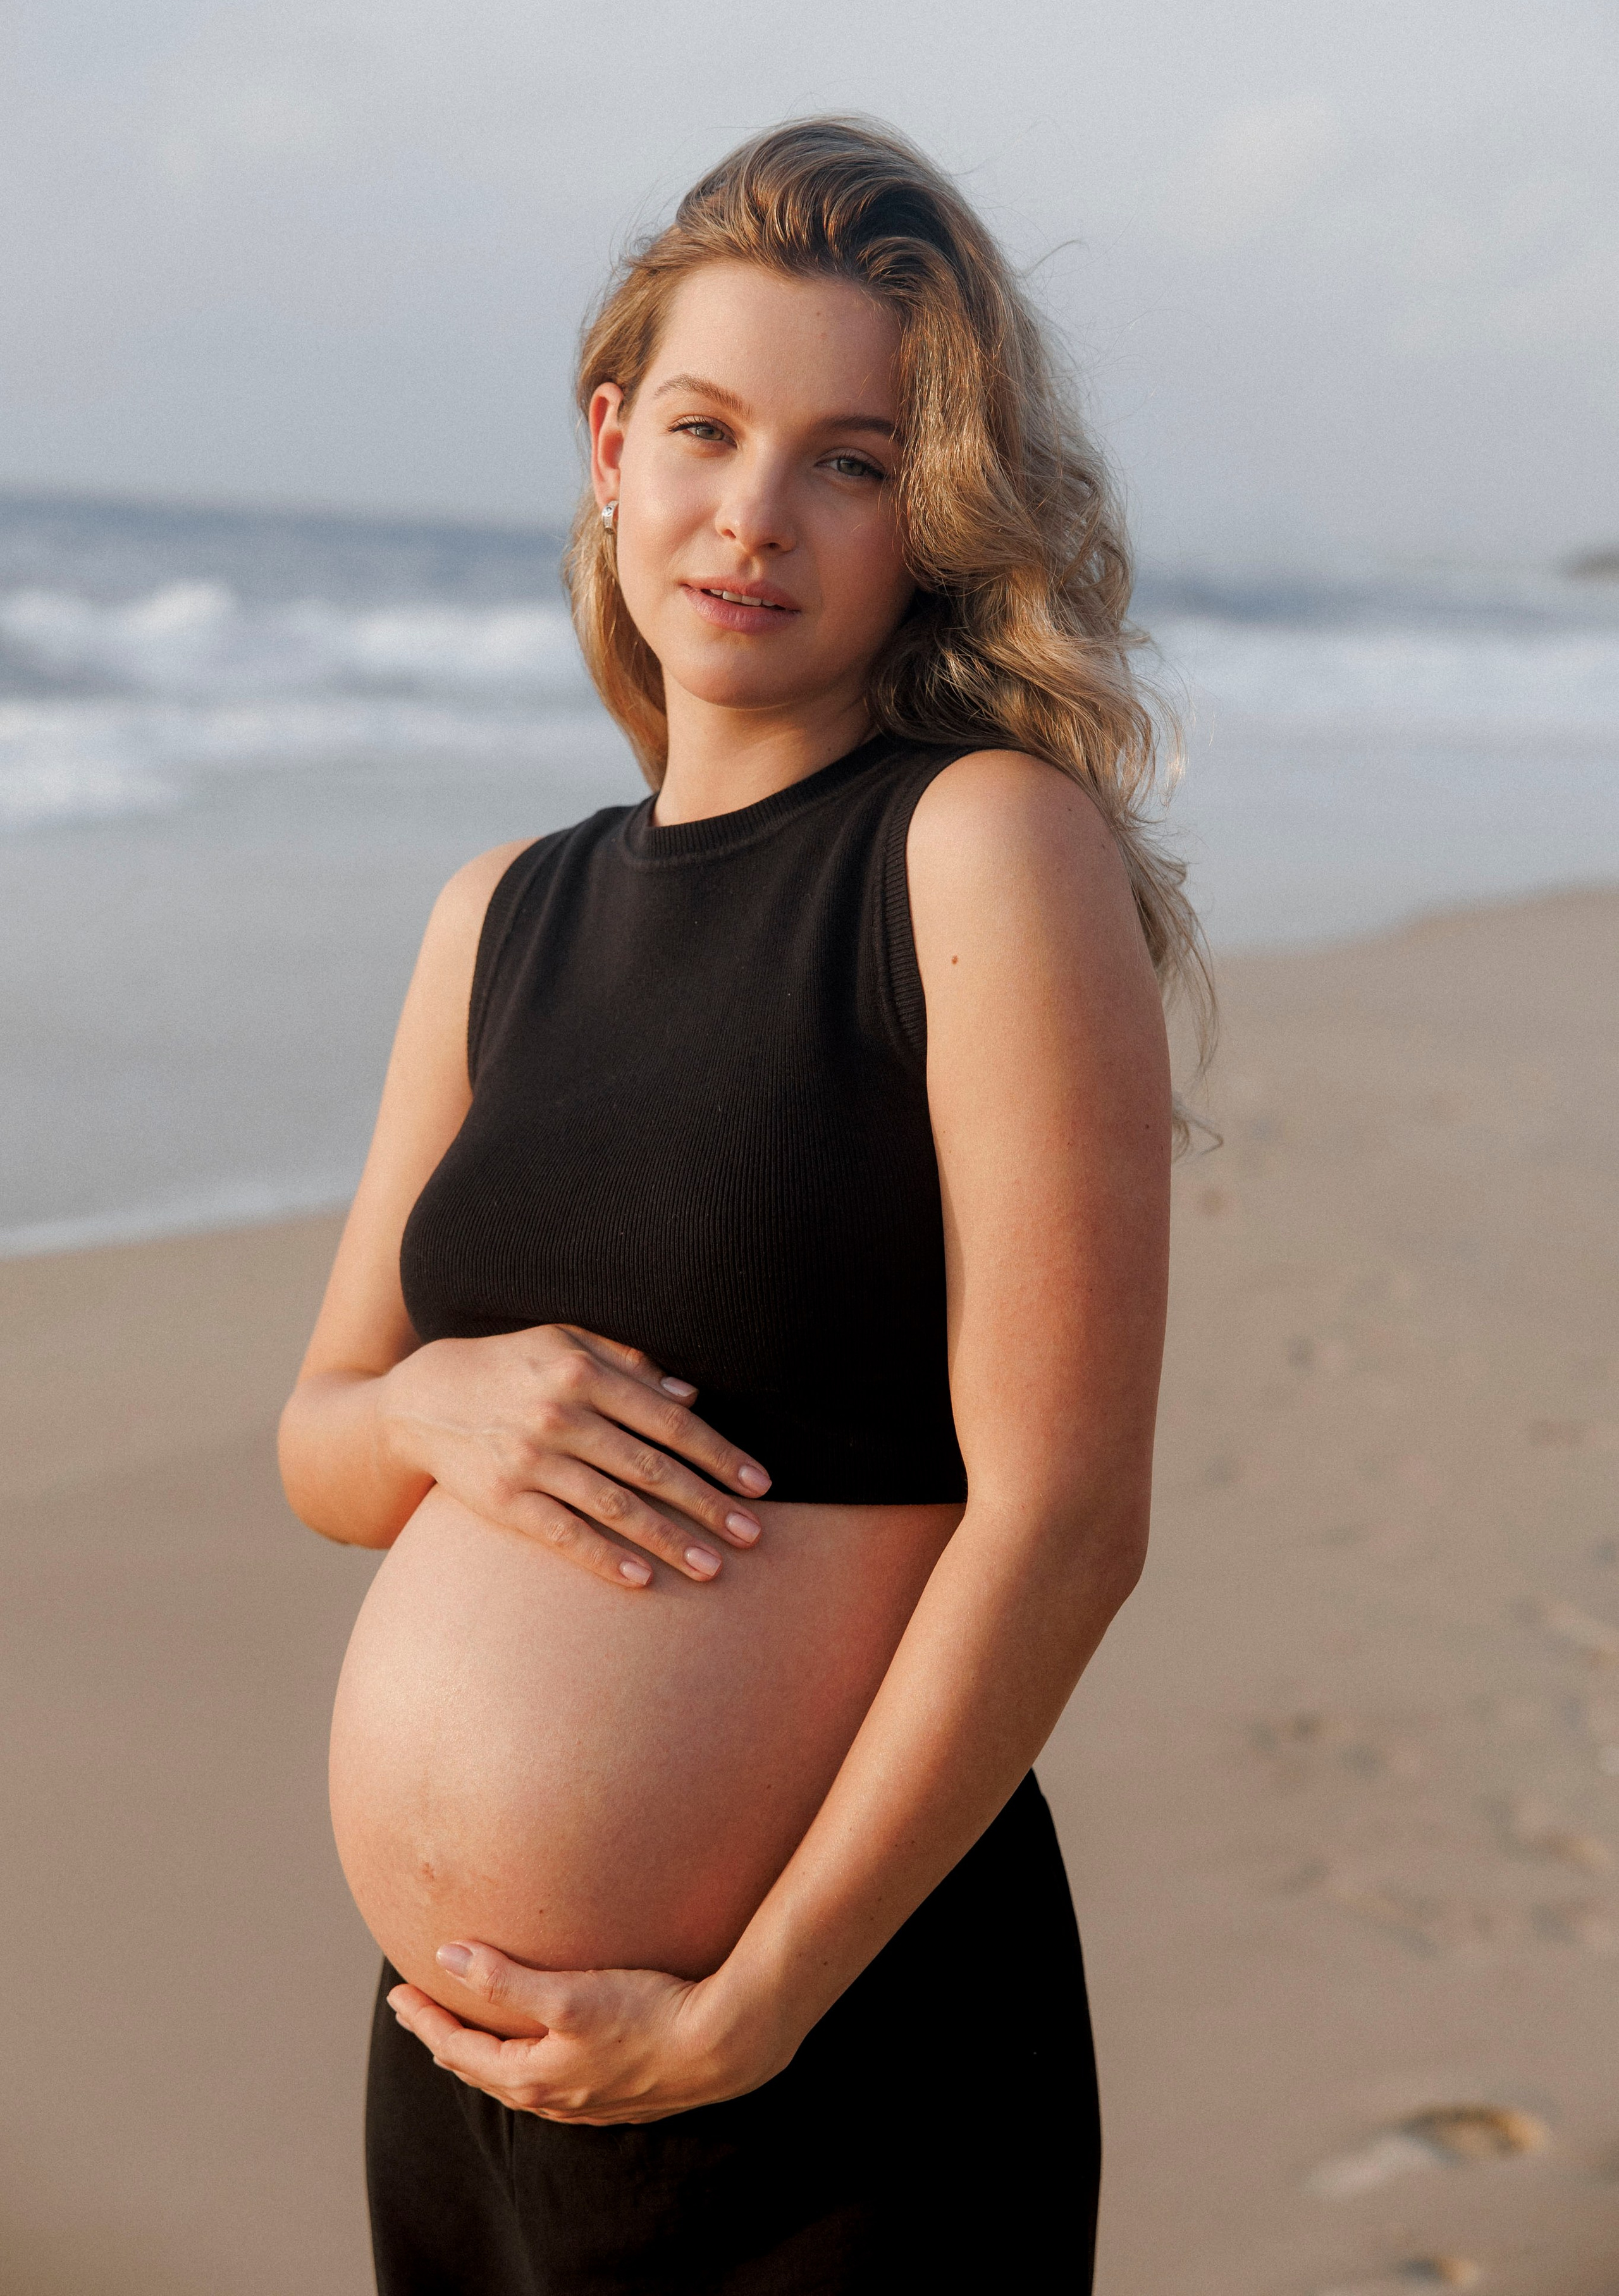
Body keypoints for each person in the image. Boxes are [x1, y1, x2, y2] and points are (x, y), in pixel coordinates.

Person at [279, 116, 1207, 2295]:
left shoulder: (976, 850)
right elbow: (327, 1442)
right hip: (463, 2082)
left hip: (829, 2056)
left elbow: (1068, 1516)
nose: (754, 517)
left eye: (854, 462)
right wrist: (441, 1408)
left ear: (936, 520)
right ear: (614, 444)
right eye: (705, 429)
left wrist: (751, 2002)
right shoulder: (498, 914)